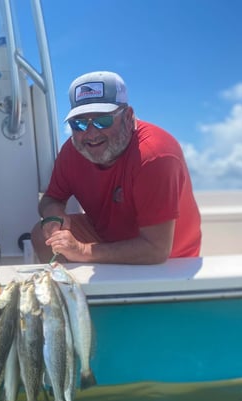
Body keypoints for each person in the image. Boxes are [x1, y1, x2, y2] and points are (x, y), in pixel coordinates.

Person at [31, 71, 201, 265]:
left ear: (128, 116)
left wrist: (83, 251)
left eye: (102, 120)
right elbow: (52, 198)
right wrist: (53, 218)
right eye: (78, 123)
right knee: (41, 236)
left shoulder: (154, 156)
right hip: (107, 236)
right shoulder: (72, 151)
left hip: (169, 256)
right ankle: (69, 292)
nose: (91, 134)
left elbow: (157, 249)